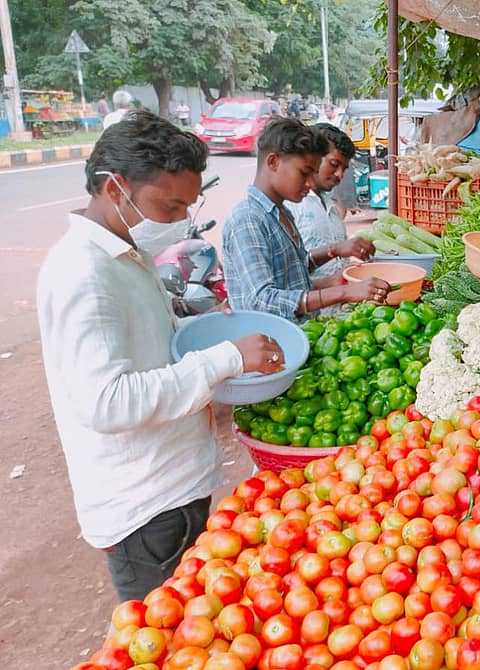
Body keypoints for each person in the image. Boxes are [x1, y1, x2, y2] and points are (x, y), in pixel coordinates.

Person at [36, 111, 283, 602]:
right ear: (115, 188)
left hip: (173, 486)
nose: (178, 222)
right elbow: (106, 402)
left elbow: (151, 341)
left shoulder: (125, 250)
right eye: (169, 207)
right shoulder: (85, 275)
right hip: (145, 509)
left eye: (187, 207)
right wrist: (225, 359)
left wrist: (214, 330)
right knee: (167, 636)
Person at [222, 118, 390, 322]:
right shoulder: (248, 219)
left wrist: (334, 259)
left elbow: (295, 270)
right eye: (304, 173)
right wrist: (345, 293)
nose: (310, 183)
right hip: (273, 344)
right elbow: (262, 301)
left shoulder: (282, 213)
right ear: (273, 162)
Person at [284, 123, 356, 281]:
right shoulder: (290, 206)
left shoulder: (332, 206)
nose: (340, 175)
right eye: (334, 165)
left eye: (344, 169)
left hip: (340, 304)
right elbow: (288, 274)